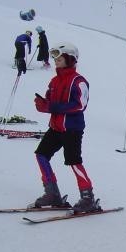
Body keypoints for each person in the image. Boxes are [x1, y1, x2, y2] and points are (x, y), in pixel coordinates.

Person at [32, 41, 99, 214]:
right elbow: (51, 102)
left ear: (70, 59)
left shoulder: (79, 81)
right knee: (41, 155)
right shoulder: (54, 81)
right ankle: (52, 193)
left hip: (72, 129)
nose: (55, 60)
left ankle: (87, 197)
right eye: (54, 57)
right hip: (55, 127)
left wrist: (52, 107)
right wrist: (43, 104)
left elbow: (80, 105)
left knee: (73, 161)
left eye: (59, 58)